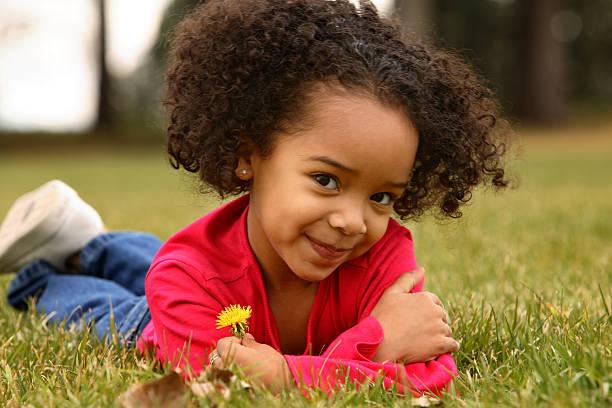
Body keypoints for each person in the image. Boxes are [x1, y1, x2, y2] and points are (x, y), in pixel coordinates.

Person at [0, 0, 511, 398]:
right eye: (327, 181)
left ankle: (91, 241)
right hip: (173, 311)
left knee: (171, 267)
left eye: (381, 195)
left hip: (209, 279)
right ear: (249, 156)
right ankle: (52, 273)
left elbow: (433, 377)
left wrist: (282, 371)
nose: (354, 222)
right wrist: (374, 344)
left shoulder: (384, 256)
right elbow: (224, 384)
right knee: (123, 308)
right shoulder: (185, 278)